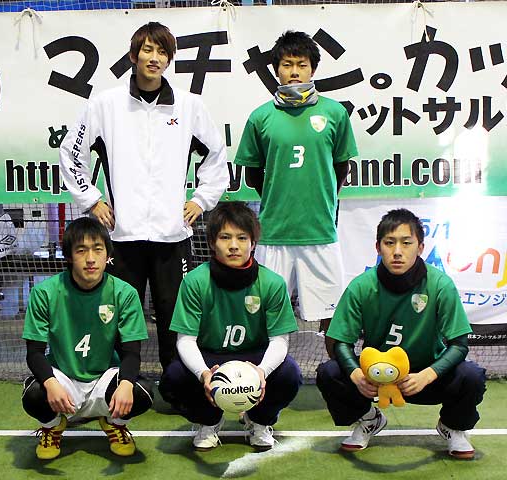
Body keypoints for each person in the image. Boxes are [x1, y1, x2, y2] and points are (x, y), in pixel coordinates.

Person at [59, 22, 229, 373]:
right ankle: (119, 380)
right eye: (148, 50)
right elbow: (72, 151)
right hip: (122, 235)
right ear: (133, 56)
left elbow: (216, 153)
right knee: (119, 313)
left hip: (172, 235)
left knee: (174, 314)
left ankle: (176, 382)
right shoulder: (106, 104)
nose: (155, 58)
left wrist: (201, 200)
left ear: (169, 59)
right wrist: (91, 200)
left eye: (162, 52)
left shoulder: (189, 106)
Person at [316, 208, 486, 459]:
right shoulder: (361, 286)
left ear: (420, 247)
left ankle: (452, 426)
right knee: (329, 373)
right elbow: (341, 342)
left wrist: (427, 375)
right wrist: (356, 375)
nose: (397, 251)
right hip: (377, 377)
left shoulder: (440, 285)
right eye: (389, 243)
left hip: (425, 377)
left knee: (471, 376)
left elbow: (459, 344)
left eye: (406, 243)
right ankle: (369, 419)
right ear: (378, 247)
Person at [234, 31, 358, 356]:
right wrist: (279, 198)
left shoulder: (334, 113)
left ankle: (339, 379)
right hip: (274, 233)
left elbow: (341, 166)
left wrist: (322, 198)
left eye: (301, 65)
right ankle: (263, 381)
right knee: (265, 317)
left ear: (312, 69)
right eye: (287, 65)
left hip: (320, 231)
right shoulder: (261, 117)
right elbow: (253, 173)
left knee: (334, 318)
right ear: (276, 69)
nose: (294, 72)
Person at [159, 202, 302, 452]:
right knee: (174, 377)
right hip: (210, 358)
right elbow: (185, 340)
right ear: (212, 243)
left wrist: (262, 371)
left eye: (242, 238)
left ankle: (259, 420)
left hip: (254, 358)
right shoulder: (195, 281)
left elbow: (280, 340)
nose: (234, 245)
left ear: (253, 243)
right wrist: (204, 374)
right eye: (225, 237)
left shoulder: (272, 283)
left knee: (290, 374)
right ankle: (209, 421)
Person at [21, 217, 154, 460]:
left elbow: (131, 353)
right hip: (64, 381)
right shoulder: (44, 293)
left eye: (97, 249)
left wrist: (125, 384)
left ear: (107, 255)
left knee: (142, 391)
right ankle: (52, 426)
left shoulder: (124, 293)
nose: (90, 258)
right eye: (81, 250)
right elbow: (35, 353)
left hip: (104, 379)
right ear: (69, 256)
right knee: (34, 394)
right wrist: (50, 383)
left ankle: (114, 422)